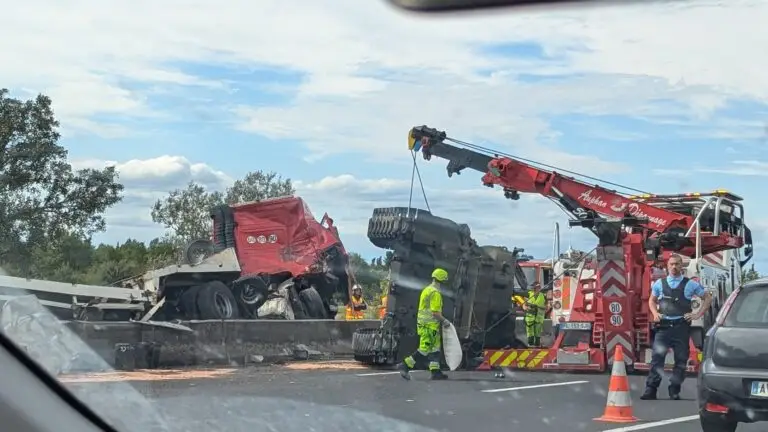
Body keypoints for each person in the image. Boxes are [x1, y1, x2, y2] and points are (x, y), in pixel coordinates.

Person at [641, 254, 712, 400]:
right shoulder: (659, 284)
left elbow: (707, 298)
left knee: (681, 360)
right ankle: (651, 389)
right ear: (667, 266)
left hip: (681, 328)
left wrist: (697, 315)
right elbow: (652, 300)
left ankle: (674, 389)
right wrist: (655, 313)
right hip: (664, 328)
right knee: (657, 359)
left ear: (681, 266)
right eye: (672, 264)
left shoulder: (690, 284)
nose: (674, 267)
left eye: (677, 264)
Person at [397, 268, 451, 381]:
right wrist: (445, 321)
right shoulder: (435, 293)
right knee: (424, 350)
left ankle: (435, 372)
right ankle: (405, 365)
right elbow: (435, 313)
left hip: (425, 325)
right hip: (429, 326)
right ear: (442, 280)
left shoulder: (427, 290)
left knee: (435, 349)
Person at [522, 282, 547, 347]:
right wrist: (525, 308)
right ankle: (530, 344)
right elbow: (524, 304)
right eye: (535, 288)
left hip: (539, 317)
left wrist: (537, 306)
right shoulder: (528, 294)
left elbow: (546, 307)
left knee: (538, 332)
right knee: (530, 332)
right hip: (530, 317)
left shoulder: (543, 296)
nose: (536, 289)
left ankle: (537, 344)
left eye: (538, 287)